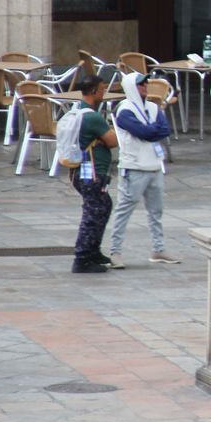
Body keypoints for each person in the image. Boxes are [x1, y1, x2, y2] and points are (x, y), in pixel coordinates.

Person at [106, 73, 178, 267]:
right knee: (124, 209)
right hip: (134, 167)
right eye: (140, 84)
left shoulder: (153, 107)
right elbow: (145, 132)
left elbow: (163, 131)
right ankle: (115, 251)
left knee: (156, 210)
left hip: (154, 165)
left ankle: (158, 248)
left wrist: (151, 130)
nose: (145, 86)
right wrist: (152, 130)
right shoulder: (125, 109)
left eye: (145, 82)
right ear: (131, 87)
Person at [69, 76, 119, 274]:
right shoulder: (92, 117)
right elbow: (113, 140)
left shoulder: (78, 111)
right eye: (102, 89)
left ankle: (93, 251)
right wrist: (105, 136)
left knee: (103, 206)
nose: (104, 93)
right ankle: (82, 258)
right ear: (92, 91)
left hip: (84, 172)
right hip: (91, 173)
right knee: (93, 212)